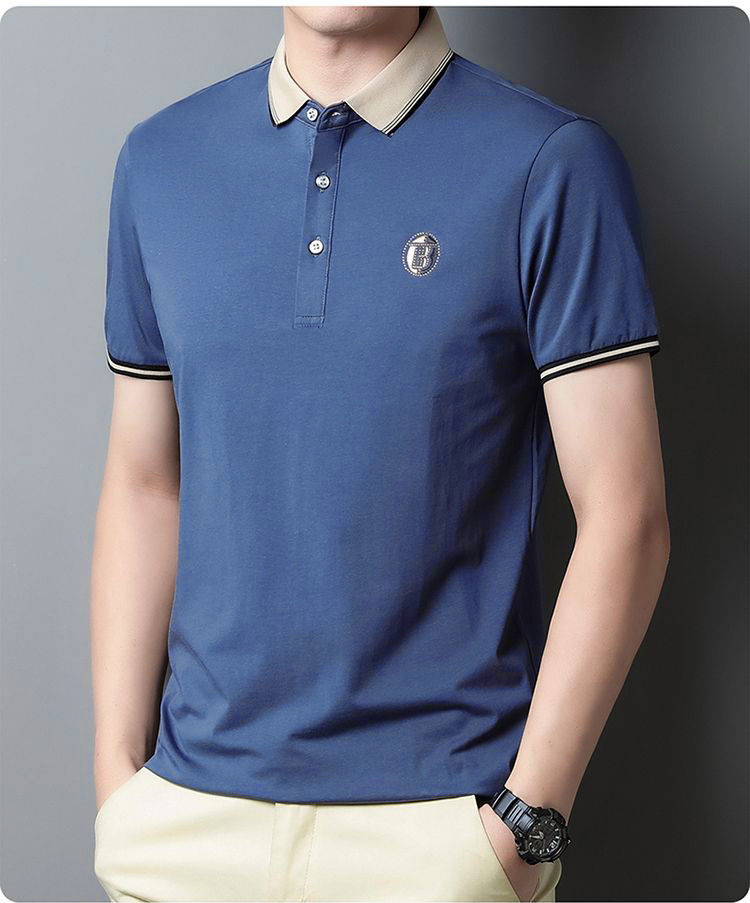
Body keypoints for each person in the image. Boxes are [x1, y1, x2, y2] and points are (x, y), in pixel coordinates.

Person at [90, 6, 670, 902]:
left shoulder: (551, 162)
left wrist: (524, 822)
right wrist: (119, 782)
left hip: (437, 834)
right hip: (185, 826)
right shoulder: (160, 162)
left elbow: (626, 514)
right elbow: (144, 483)